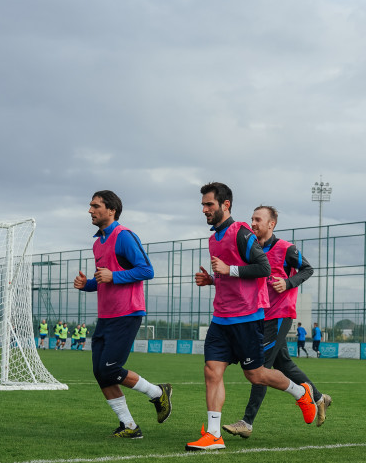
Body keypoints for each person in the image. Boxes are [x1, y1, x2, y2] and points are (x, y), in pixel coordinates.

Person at [187, 182, 318, 451]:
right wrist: (212, 279)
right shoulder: (214, 238)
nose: (204, 209)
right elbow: (229, 276)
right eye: (203, 204)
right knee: (212, 371)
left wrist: (228, 269)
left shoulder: (241, 233)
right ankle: (214, 435)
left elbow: (263, 267)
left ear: (225, 205)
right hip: (221, 318)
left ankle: (301, 392)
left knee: (257, 375)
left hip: (248, 317)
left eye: (209, 204)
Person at [222, 205, 332, 440]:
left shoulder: (286, 249)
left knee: (260, 368)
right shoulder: (252, 249)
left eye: (258, 219)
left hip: (280, 314)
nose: (253, 223)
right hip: (260, 315)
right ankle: (319, 398)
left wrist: (288, 283)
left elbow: (308, 268)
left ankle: (247, 422)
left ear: (271, 224)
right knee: (284, 365)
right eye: (251, 219)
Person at [74, 190, 172, 439]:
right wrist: (88, 284)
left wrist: (113, 276)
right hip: (106, 316)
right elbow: (104, 279)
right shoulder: (98, 242)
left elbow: (147, 270)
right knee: (100, 372)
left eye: (95, 206)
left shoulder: (124, 236)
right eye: (90, 206)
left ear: (111, 210)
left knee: (110, 368)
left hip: (127, 313)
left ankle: (157, 393)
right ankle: (129, 426)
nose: (90, 210)